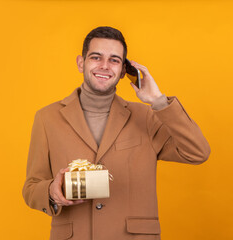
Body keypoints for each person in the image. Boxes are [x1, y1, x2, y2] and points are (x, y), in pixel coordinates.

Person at [22, 26, 210, 240]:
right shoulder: (47, 118)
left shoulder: (146, 116)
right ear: (81, 63)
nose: (104, 66)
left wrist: (158, 101)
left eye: (114, 60)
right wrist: (51, 192)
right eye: (96, 57)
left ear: (123, 71)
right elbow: (31, 187)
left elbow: (197, 152)